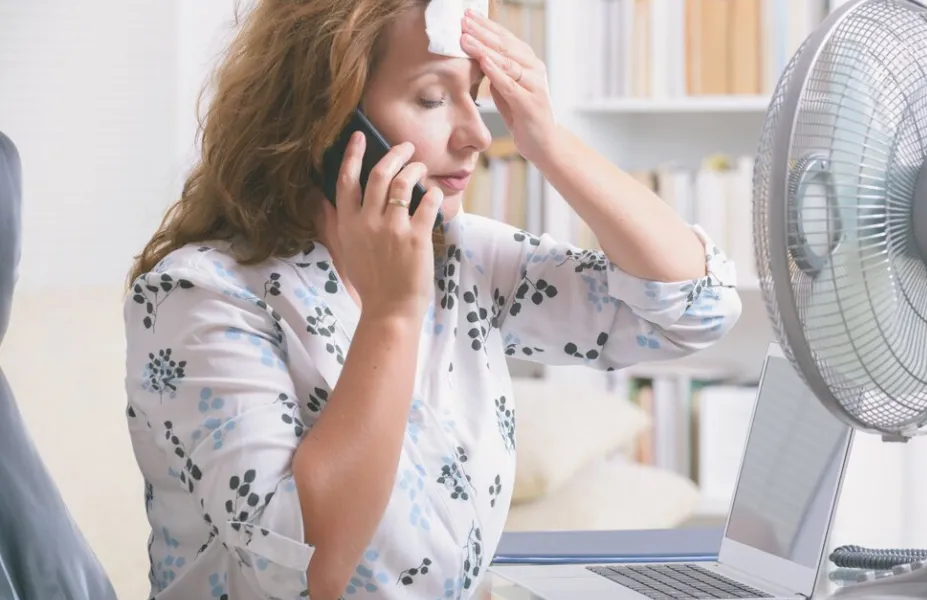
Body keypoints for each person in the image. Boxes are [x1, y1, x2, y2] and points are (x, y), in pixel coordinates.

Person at [122, 1, 742, 599]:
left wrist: (546, 141)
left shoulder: (462, 257)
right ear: (328, 121)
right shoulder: (200, 296)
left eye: (474, 97)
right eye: (431, 98)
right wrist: (393, 315)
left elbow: (695, 309)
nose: (476, 134)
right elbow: (304, 572)